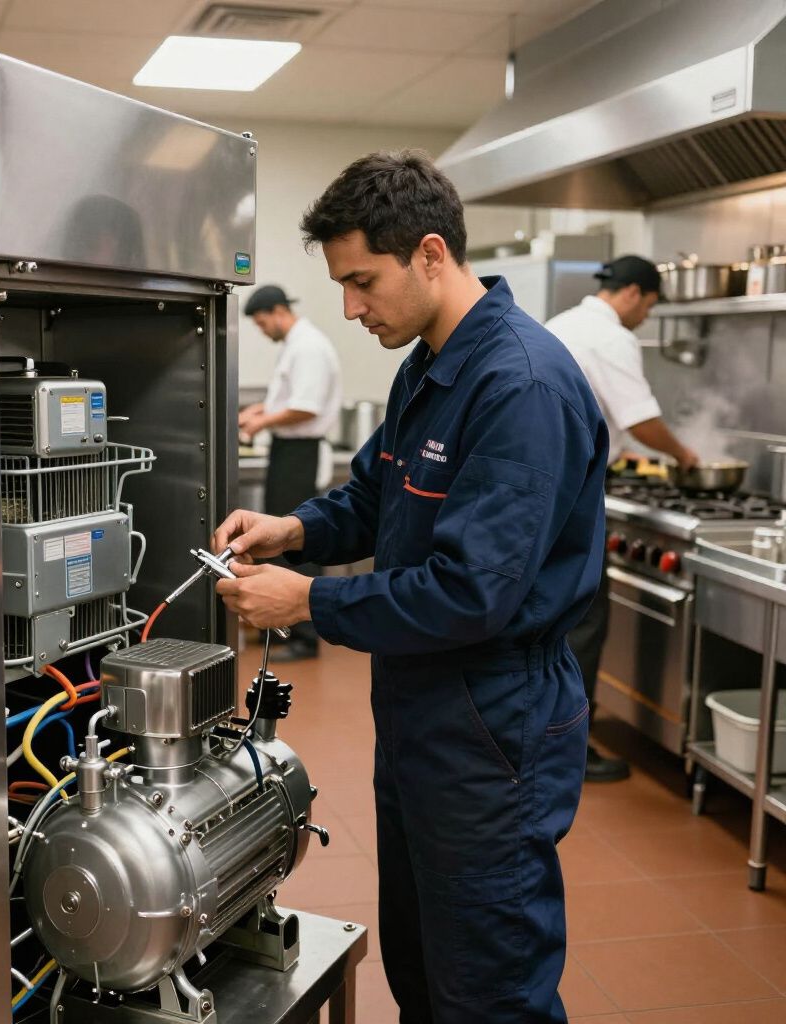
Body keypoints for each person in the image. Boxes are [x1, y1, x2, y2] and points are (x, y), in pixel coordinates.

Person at [213, 150, 608, 1024]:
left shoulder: (520, 386)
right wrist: (294, 531)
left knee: (489, 983)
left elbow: (472, 591)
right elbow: (372, 495)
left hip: (494, 716)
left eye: (363, 282)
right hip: (425, 705)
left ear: (431, 254)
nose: (350, 308)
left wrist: (307, 601)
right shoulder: (428, 365)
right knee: (424, 961)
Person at [546, 256, 699, 782]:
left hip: (547, 484)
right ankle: (570, 752)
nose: (646, 317)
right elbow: (641, 420)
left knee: (560, 618)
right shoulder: (610, 337)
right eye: (650, 306)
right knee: (584, 619)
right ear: (633, 293)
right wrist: (688, 457)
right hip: (571, 491)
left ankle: (545, 738)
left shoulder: (565, 322)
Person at [239, 285, 342, 660]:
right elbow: (288, 400)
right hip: (288, 451)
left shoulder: (308, 346)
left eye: (264, 322)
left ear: (279, 310)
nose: (264, 330)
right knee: (282, 538)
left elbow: (305, 408)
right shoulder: (296, 346)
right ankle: (284, 628)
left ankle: (305, 636)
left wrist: (262, 421)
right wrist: (259, 412)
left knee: (300, 541)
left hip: (301, 453)